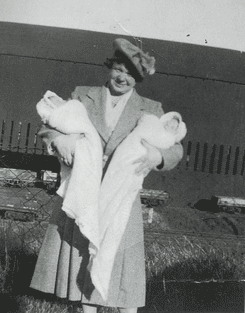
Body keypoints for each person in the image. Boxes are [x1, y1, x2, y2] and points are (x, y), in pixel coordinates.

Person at [30, 38, 184, 313]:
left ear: (139, 79)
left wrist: (157, 157)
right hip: (83, 192)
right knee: (81, 260)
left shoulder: (150, 108)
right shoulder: (84, 95)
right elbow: (50, 123)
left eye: (131, 74)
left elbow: (175, 148)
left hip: (121, 198)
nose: (122, 77)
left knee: (118, 264)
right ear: (110, 67)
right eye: (118, 69)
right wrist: (60, 139)